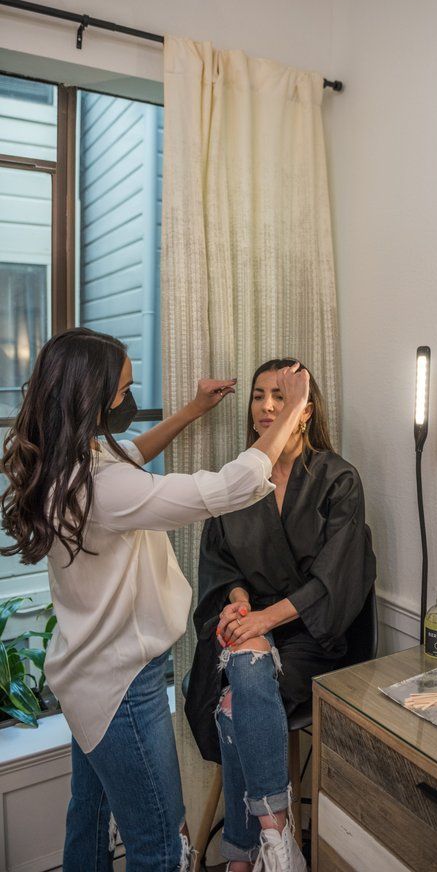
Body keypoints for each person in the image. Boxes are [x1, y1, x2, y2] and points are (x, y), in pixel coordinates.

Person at [1, 329, 310, 872]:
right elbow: (227, 488)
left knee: (90, 818)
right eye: (122, 392)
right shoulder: (101, 488)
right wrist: (293, 410)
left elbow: (130, 454)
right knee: (164, 848)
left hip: (83, 673)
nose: (129, 400)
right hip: (123, 684)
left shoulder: (65, 459)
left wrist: (192, 409)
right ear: (92, 400)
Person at [185, 358, 376, 872]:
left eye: (282, 396)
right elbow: (222, 562)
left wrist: (265, 621)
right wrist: (240, 602)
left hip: (317, 634)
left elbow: (337, 579)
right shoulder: (241, 478)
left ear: (305, 413)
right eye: (258, 396)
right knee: (245, 665)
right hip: (253, 624)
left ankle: (241, 856)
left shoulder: (339, 480)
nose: (267, 406)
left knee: (234, 696)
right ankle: (277, 836)